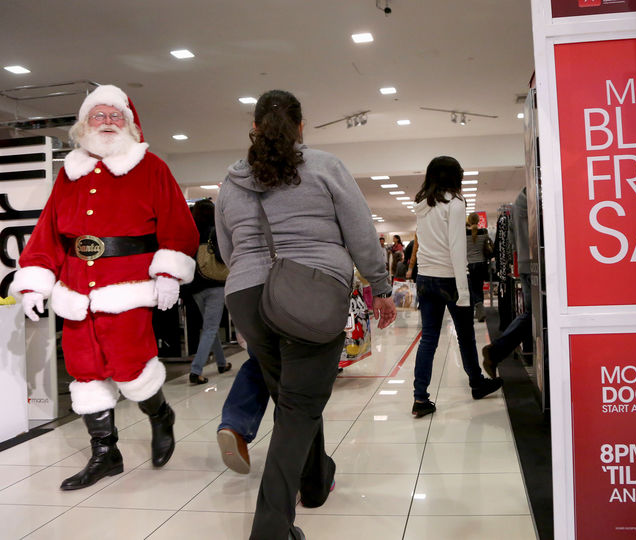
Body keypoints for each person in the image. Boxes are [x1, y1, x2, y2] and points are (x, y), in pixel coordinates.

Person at [214, 89, 396, 540]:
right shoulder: (324, 166)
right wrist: (382, 287)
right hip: (308, 293)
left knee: (294, 400)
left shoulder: (230, 180)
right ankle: (271, 529)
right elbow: (359, 233)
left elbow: (225, 249)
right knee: (297, 409)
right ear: (301, 127)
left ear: (254, 127)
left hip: (246, 297)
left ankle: (315, 482)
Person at [10, 84, 199, 490]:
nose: (107, 122)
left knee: (131, 367)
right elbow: (48, 233)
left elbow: (177, 226)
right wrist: (34, 282)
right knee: (85, 370)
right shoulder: (70, 172)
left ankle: (159, 413)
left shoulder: (151, 168)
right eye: (99, 115)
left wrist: (168, 274)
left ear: (129, 124)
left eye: (116, 116)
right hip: (76, 290)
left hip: (128, 285)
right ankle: (104, 453)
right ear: (84, 124)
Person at [410, 156, 503, 418]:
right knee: (465, 335)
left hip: (425, 278)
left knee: (428, 339)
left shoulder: (422, 204)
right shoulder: (455, 203)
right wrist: (463, 290)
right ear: (455, 176)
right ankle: (476, 383)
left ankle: (420, 398)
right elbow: (456, 247)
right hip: (449, 278)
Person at [483, 186, 534, 378]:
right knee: (537, 315)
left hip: (526, 262)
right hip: (538, 262)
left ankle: (496, 352)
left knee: (533, 314)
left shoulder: (519, 201)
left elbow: (511, 239)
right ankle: (496, 351)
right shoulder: (533, 197)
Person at [184, 199, 232, 384]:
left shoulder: (190, 232)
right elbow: (222, 256)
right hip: (215, 284)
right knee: (211, 327)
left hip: (195, 286)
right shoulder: (216, 231)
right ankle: (196, 371)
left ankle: (221, 363)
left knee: (209, 327)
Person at [465, 212, 492, 322]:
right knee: (479, 287)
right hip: (482, 264)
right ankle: (479, 310)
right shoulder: (484, 233)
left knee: (472, 289)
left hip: (470, 265)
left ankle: (479, 308)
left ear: (469, 221)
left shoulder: (464, 234)